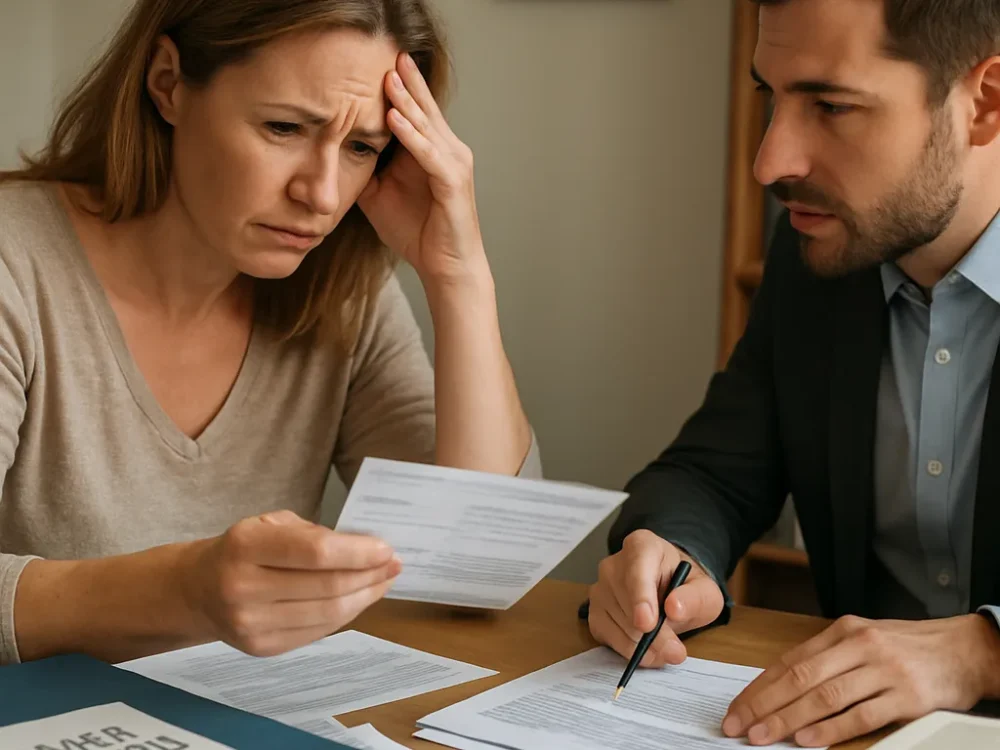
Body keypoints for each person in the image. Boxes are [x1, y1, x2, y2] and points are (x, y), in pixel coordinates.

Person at [0, 0, 540, 668]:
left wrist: (460, 277)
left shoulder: (343, 296)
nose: (321, 193)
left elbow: (481, 570)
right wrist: (185, 592)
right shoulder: (12, 262)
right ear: (167, 82)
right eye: (284, 127)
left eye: (361, 148)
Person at [589, 0, 1000, 745]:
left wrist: (984, 653)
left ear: (986, 103)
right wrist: (671, 555)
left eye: (832, 106)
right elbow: (712, 475)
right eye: (768, 96)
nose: (769, 162)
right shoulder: (819, 255)